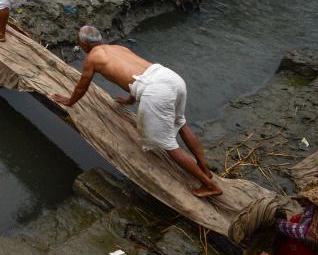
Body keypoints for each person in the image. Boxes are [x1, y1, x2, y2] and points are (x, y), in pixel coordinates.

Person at [50, 26, 222, 199]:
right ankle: (205, 170)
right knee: (181, 124)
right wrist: (129, 100)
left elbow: (82, 86)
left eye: (80, 44)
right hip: (170, 77)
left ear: (85, 45)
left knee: (169, 145)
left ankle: (210, 186)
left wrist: (69, 101)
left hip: (156, 91)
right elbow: (139, 76)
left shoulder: (92, 58)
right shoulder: (119, 48)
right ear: (100, 40)